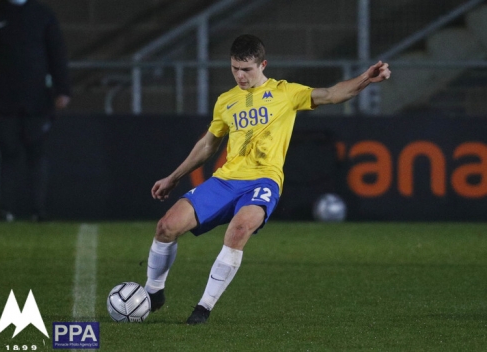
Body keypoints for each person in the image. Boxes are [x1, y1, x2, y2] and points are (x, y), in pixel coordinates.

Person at [145, 34, 391, 324]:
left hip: (263, 181)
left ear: (263, 64)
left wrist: (365, 78)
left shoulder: (285, 93)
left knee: (239, 230)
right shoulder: (226, 101)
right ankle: (153, 292)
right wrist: (174, 177)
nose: (240, 75)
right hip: (225, 180)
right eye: (235, 68)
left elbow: (332, 94)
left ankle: (203, 308)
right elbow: (208, 144)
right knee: (166, 227)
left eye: (247, 69)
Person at [0, 0, 71, 221]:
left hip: (37, 100)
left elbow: (57, 52)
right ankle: (7, 210)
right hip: (5, 99)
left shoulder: (42, 14)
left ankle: (38, 210)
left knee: (37, 154)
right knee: (9, 153)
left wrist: (63, 89)